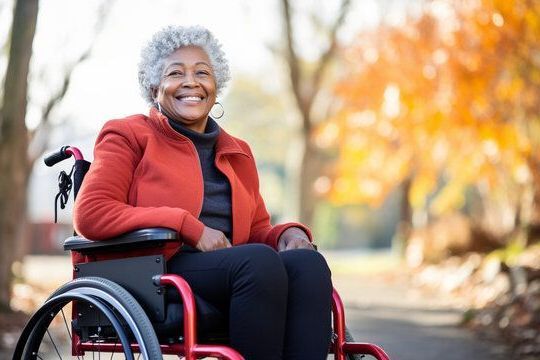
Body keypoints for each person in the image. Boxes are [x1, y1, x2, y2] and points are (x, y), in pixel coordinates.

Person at [74, 25, 332, 360]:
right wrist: (187, 226)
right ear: (155, 88)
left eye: (202, 72)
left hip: (235, 268)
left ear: (215, 86)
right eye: (175, 73)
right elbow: (91, 213)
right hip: (156, 267)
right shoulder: (128, 134)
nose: (191, 82)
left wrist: (287, 234)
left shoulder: (237, 151)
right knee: (257, 263)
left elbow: (254, 232)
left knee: (306, 264)